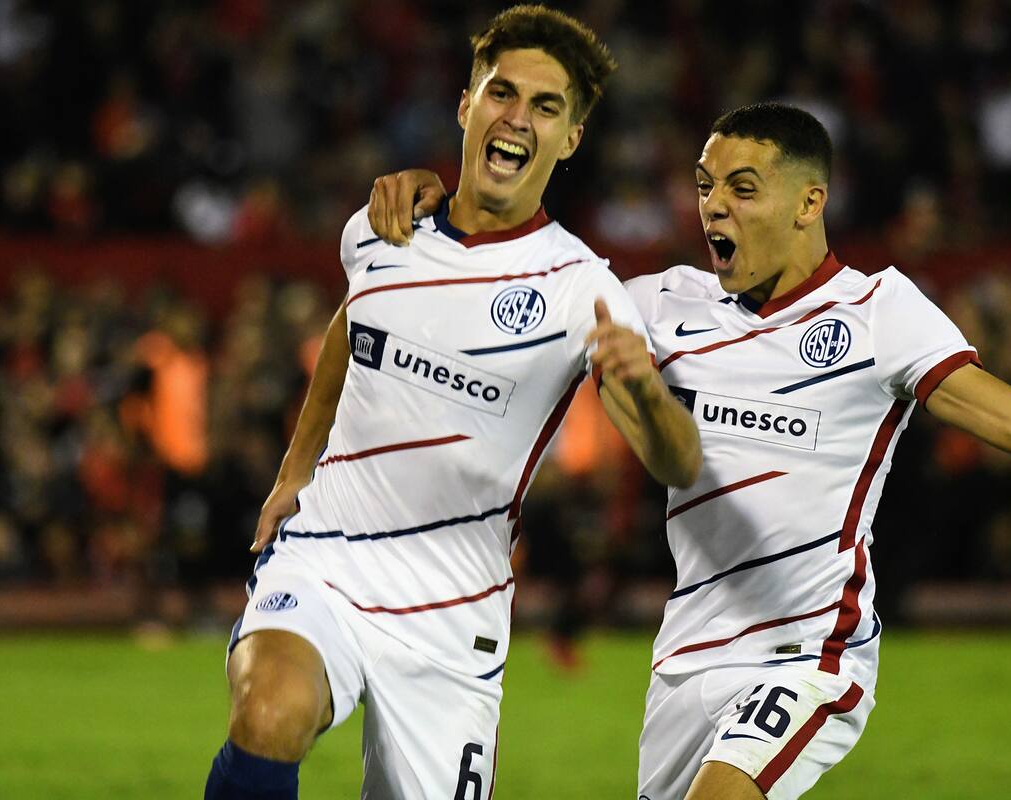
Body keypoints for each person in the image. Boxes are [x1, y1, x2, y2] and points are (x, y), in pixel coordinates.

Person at [368, 101, 1011, 799]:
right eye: (705, 186)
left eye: (742, 188)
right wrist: (446, 215)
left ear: (808, 203)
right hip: (685, 661)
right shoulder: (661, 304)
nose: (714, 208)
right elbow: (501, 293)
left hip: (807, 655)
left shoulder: (879, 312)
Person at [204, 7, 702, 800]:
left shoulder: (583, 290)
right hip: (328, 554)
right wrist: (292, 473)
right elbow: (351, 326)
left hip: (452, 608)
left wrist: (646, 388)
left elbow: (675, 460)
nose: (518, 118)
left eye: (547, 107)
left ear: (571, 138)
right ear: (466, 103)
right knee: (270, 711)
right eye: (502, 93)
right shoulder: (380, 230)